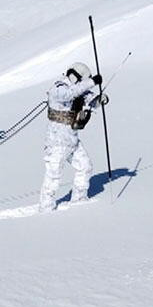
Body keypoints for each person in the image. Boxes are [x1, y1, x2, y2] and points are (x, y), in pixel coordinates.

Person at [39, 63, 108, 212]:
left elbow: (88, 99)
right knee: (53, 175)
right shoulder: (58, 88)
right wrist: (92, 82)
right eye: (83, 81)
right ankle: (46, 207)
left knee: (85, 166)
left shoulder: (77, 90)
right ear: (75, 77)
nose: (84, 85)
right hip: (56, 142)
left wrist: (100, 99)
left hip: (72, 140)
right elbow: (69, 94)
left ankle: (79, 199)